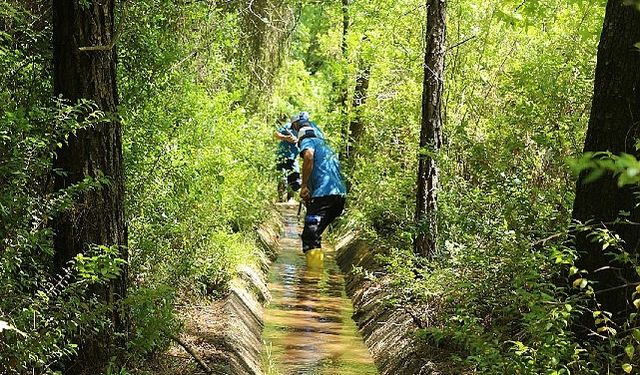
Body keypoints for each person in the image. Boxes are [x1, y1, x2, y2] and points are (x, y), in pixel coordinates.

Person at [291, 117, 346, 268]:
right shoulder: (326, 146)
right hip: (338, 197)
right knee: (314, 235)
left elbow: (308, 156)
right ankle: (314, 273)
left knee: (310, 235)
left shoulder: (307, 140)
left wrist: (303, 186)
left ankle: (313, 279)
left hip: (324, 197)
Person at [274, 114, 301, 201]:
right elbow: (276, 134)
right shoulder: (287, 127)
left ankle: (291, 198)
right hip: (282, 156)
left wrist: (297, 141)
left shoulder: (302, 130)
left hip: (293, 157)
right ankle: (281, 197)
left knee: (294, 177)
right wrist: (286, 138)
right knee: (282, 177)